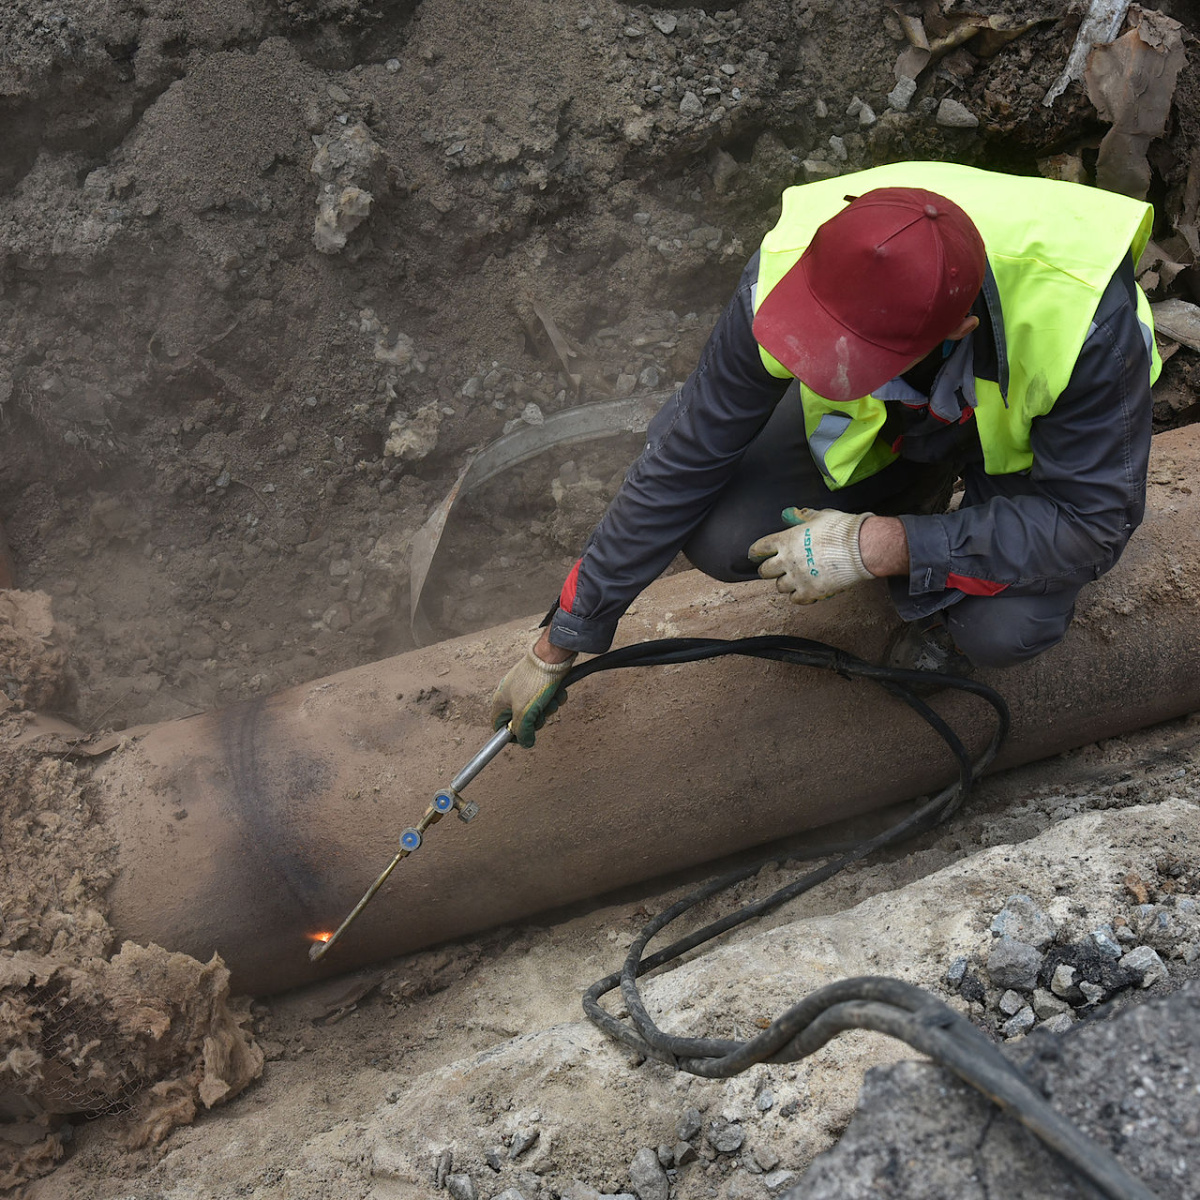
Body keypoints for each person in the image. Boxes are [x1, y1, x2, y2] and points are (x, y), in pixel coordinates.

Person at [491, 161, 1161, 747]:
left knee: (1003, 628)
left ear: (955, 331)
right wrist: (565, 636)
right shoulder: (794, 259)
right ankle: (916, 489)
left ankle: (928, 558)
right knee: (727, 534)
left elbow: (1091, 526)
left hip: (1031, 447)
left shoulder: (1085, 323)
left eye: (850, 359)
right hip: (912, 416)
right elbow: (687, 453)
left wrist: (881, 545)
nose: (815, 367)